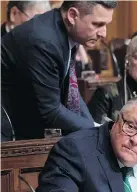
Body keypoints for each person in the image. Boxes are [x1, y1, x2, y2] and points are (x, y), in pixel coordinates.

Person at [1, 1, 117, 140]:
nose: (104, 33)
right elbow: (50, 110)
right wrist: (95, 129)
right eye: (97, 24)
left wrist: (94, 126)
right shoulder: (43, 41)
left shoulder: (64, 30)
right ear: (72, 15)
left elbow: (72, 92)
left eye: (106, 24)